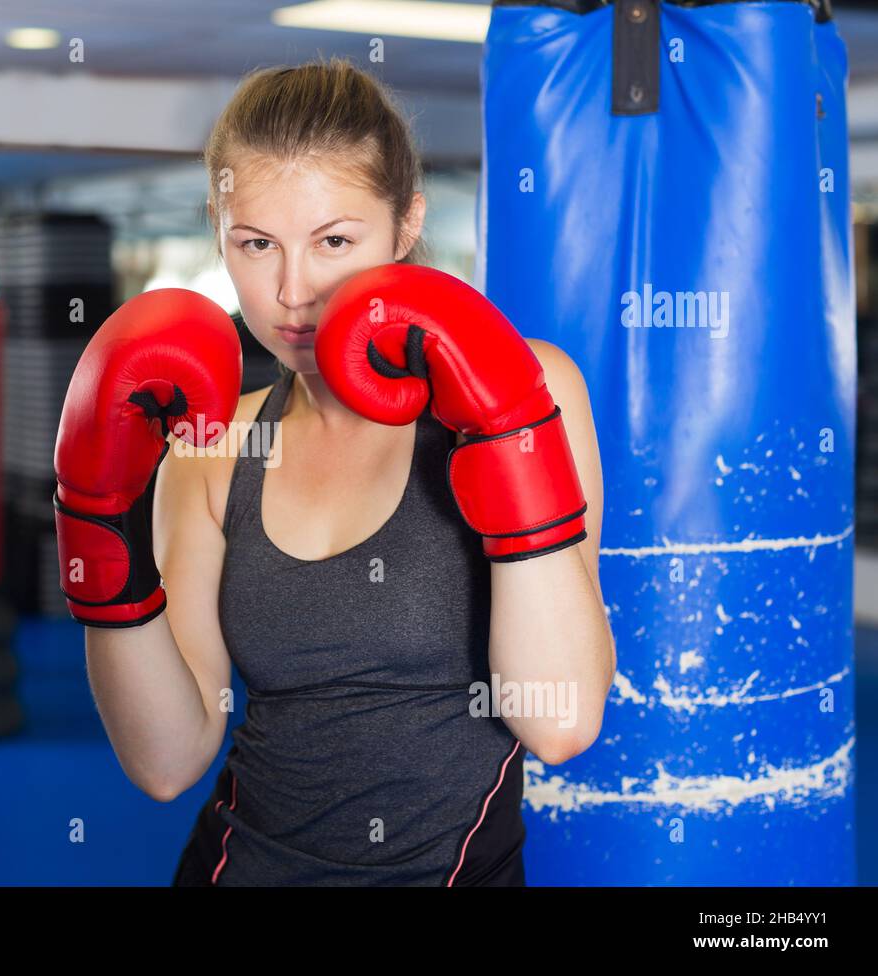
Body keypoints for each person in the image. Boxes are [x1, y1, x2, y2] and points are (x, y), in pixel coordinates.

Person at [55, 58, 616, 886]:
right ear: (219, 231)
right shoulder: (216, 444)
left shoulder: (534, 388)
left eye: (334, 241)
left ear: (405, 223)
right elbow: (168, 760)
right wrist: (97, 526)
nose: (292, 292)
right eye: (255, 244)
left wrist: (507, 430)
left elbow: (560, 724)